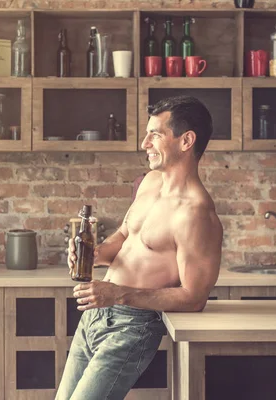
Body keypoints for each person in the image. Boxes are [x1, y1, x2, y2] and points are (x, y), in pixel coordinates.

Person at [55, 95, 223, 400]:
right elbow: (123, 236)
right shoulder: (149, 183)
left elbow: (194, 297)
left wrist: (118, 294)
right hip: (96, 313)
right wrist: (95, 254)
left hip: (132, 325)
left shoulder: (196, 212)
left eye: (155, 134)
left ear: (186, 141)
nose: (145, 143)